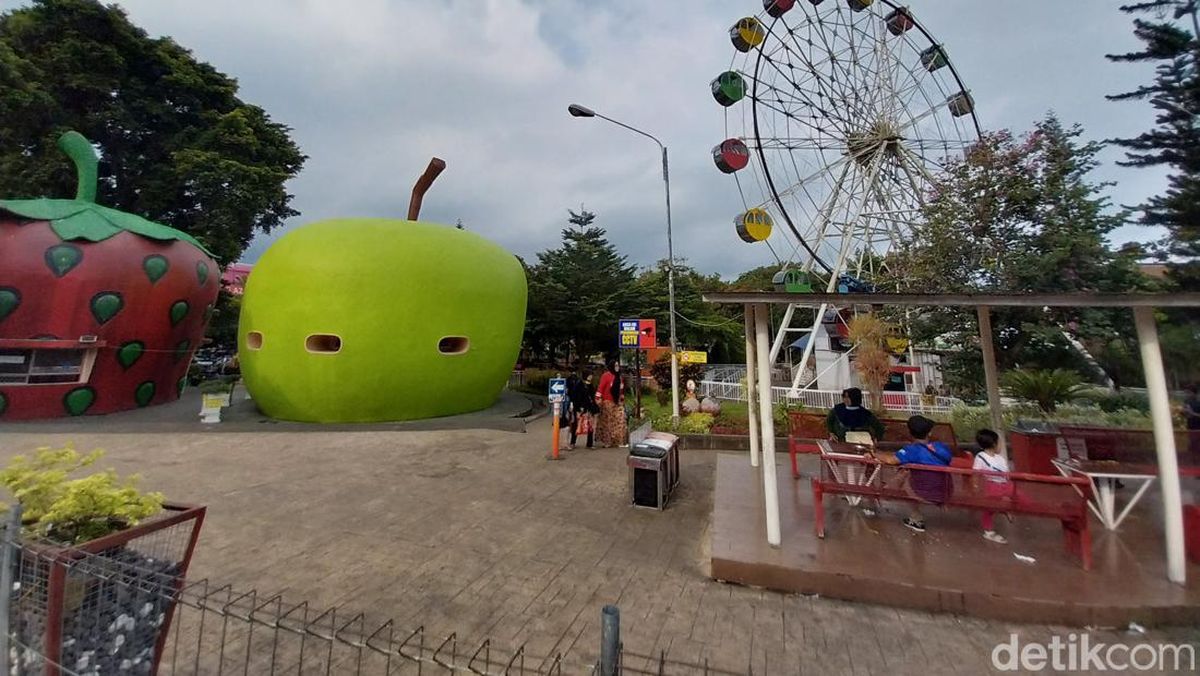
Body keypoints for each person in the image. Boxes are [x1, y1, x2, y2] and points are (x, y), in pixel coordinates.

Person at [894, 415, 954, 533]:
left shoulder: (911, 450)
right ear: (929, 433)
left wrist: (874, 454)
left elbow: (891, 460)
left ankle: (916, 517)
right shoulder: (942, 447)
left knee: (903, 475)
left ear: (910, 433)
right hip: (945, 492)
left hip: (923, 493)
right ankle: (939, 504)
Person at [972, 429, 1011, 544]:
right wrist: (975, 487)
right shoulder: (980, 457)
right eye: (999, 443)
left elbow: (1007, 474)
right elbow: (975, 474)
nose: (1001, 445)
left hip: (1004, 485)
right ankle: (988, 531)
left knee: (1018, 496)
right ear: (994, 444)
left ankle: (1005, 508)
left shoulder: (1000, 458)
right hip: (991, 485)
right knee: (989, 508)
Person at [596, 360, 627, 447]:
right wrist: (598, 398)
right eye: (615, 366)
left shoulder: (619, 377)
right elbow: (600, 387)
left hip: (618, 402)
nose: (617, 367)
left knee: (620, 420)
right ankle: (607, 441)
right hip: (608, 402)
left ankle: (619, 441)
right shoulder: (606, 376)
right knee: (608, 422)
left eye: (618, 366)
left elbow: (621, 389)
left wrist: (622, 396)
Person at [569, 372, 598, 449]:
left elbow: (592, 396)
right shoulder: (580, 384)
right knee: (577, 425)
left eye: (591, 375)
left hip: (589, 408)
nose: (591, 377)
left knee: (590, 425)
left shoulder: (591, 385)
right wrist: (578, 407)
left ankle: (589, 444)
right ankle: (572, 442)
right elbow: (576, 396)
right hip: (580, 408)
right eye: (589, 375)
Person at [1184, 385, 1200, 454]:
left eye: (1189, 393)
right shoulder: (1187, 402)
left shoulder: (1199, 402)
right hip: (1190, 427)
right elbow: (1187, 415)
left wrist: (1192, 413)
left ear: (1194, 393)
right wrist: (1183, 412)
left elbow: (1192, 414)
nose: (1187, 395)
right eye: (1186, 393)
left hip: (1198, 427)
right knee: (1192, 445)